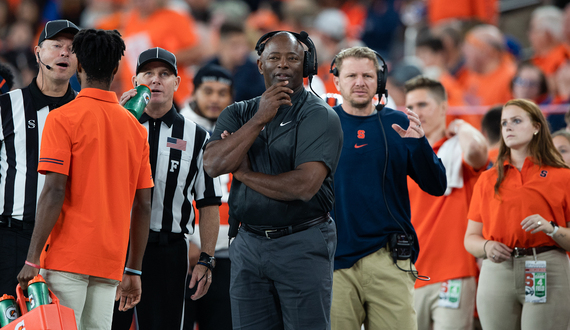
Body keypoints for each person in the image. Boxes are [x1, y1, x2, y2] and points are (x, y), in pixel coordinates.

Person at [203, 31, 343, 329]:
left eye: (292, 58)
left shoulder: (320, 116)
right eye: (274, 58)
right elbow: (213, 164)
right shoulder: (238, 113)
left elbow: (303, 186)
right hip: (248, 244)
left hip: (302, 242)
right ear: (259, 65)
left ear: (305, 67)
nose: (283, 65)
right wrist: (259, 119)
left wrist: (242, 173)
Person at [17, 28, 153, 330]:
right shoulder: (135, 129)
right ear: (116, 68)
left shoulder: (63, 117)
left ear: (79, 65)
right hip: (110, 262)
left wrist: (32, 258)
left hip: (66, 259)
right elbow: (144, 204)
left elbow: (53, 192)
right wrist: (134, 268)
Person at [329, 47, 447, 330]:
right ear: (337, 82)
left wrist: (418, 146)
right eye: (352, 75)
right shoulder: (322, 125)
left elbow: (437, 186)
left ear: (379, 82)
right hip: (333, 260)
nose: (360, 82)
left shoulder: (400, 124)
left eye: (368, 75)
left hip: (389, 258)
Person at [112, 48, 221, 330]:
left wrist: (207, 258)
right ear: (135, 80)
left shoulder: (198, 136)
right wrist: (116, 119)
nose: (156, 80)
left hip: (168, 249)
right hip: (115, 246)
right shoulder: (115, 124)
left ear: (177, 82)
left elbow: (208, 202)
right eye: (149, 73)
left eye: (164, 74)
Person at [464, 98, 570, 330]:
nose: (508, 127)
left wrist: (551, 228)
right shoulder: (487, 179)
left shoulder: (563, 176)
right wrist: (486, 247)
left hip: (547, 266)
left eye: (516, 121)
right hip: (498, 270)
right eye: (504, 123)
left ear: (536, 127)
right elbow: (470, 238)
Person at [0, 19, 79, 298]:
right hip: (12, 235)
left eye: (72, 48)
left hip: (68, 240)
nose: (64, 53)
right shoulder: (7, 105)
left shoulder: (87, 111)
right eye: (56, 45)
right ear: (37, 53)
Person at [404, 76, 487, 330]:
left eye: (423, 105)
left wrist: (460, 125)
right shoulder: (401, 153)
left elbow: (477, 151)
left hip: (454, 271)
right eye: (410, 107)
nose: (416, 113)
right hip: (409, 273)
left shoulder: (458, 148)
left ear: (443, 108)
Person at [181, 64, 234, 330]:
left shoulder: (240, 130)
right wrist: (189, 241)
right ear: (194, 92)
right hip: (185, 252)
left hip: (227, 255)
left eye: (222, 93)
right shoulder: (178, 127)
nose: (215, 99)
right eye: (208, 91)